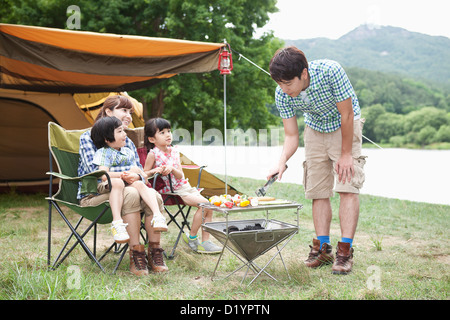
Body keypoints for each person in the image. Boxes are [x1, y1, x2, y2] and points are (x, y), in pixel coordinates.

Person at [268, 46, 367, 275]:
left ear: (303, 73)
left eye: (288, 83)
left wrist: (345, 155)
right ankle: (323, 249)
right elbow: (292, 135)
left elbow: (348, 114)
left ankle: (345, 252)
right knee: (317, 189)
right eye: (279, 84)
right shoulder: (282, 92)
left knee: (347, 185)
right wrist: (281, 160)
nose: (284, 89)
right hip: (315, 129)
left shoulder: (331, 71)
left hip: (345, 125)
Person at [77, 95, 168, 275]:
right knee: (132, 194)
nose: (128, 116)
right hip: (96, 193)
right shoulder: (89, 137)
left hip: (127, 187)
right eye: (124, 110)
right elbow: (96, 173)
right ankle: (136, 253)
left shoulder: (128, 143)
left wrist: (138, 176)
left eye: (130, 112)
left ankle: (155, 251)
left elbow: (139, 171)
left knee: (154, 195)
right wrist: (127, 176)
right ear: (108, 111)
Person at [143, 118, 222, 254]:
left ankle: (205, 242)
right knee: (205, 204)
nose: (168, 135)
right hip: (172, 191)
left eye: (169, 131)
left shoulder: (174, 151)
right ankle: (192, 238)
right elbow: (144, 174)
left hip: (184, 186)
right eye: (162, 132)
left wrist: (172, 169)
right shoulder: (153, 154)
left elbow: (180, 175)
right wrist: (155, 171)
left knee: (209, 207)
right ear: (152, 139)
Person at [90, 116, 169, 235]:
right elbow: (104, 175)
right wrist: (123, 175)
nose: (125, 134)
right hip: (109, 185)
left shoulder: (127, 151)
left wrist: (136, 174)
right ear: (107, 138)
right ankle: (117, 223)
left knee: (141, 185)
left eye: (123, 130)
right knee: (118, 182)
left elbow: (139, 172)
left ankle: (157, 215)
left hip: (129, 183)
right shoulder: (103, 153)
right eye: (120, 131)